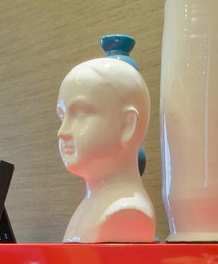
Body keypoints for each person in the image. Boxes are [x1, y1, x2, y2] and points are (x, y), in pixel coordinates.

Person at [57, 57, 156, 243]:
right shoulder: (91, 205)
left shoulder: (126, 212)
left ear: (127, 125)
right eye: (62, 117)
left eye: (80, 114)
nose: (62, 132)